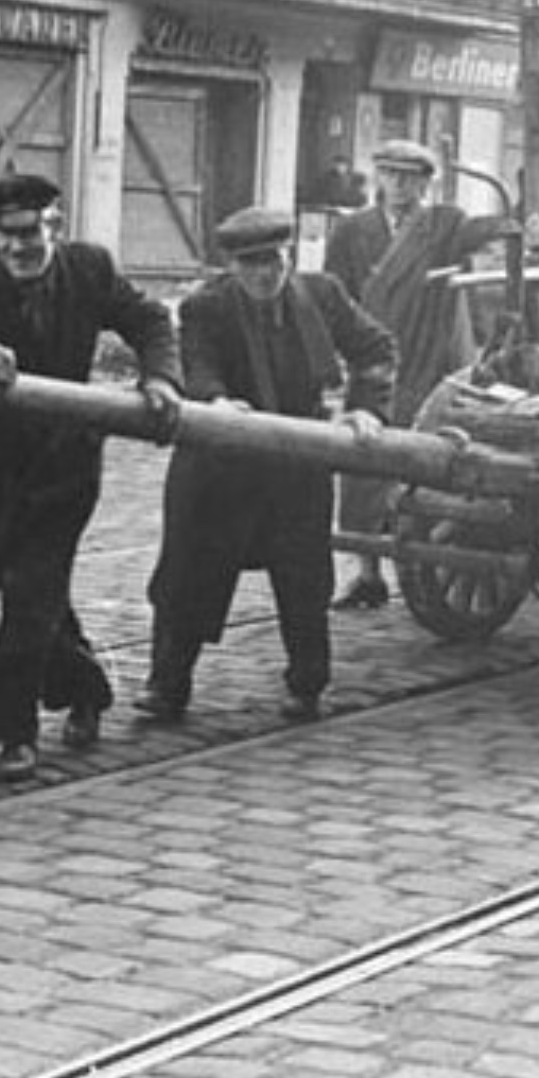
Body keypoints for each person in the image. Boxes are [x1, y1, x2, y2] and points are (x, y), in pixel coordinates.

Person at [0, 173, 182, 780]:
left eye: (32, 232)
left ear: (54, 225)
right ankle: (86, 684)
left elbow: (149, 322)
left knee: (32, 595)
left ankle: (15, 733)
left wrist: (161, 377)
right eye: (7, 235)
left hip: (65, 462)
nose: (20, 247)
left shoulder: (89, 268)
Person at [138, 207, 395, 723]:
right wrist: (213, 402)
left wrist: (367, 407)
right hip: (220, 462)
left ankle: (306, 685)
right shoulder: (205, 307)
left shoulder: (322, 296)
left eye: (274, 261)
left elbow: (375, 347)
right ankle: (167, 685)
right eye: (251, 263)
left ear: (290, 257)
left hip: (297, 461)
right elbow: (198, 362)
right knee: (188, 577)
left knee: (304, 579)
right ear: (231, 266)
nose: (264, 274)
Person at [324, 137, 505, 609]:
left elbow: (481, 236)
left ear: (427, 183)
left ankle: (429, 554)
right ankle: (366, 573)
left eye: (411, 177)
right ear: (378, 178)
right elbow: (333, 293)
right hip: (374, 363)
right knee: (363, 460)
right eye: (390, 174)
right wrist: (335, 354)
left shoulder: (444, 225)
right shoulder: (352, 231)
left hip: (429, 361)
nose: (400, 185)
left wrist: (516, 221)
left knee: (426, 463)